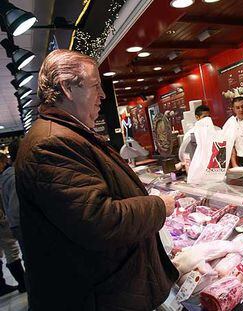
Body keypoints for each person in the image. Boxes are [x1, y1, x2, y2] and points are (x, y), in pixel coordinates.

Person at [14, 49, 179, 311]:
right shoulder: (51, 143)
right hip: (94, 297)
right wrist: (159, 206)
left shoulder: (67, 133)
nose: (102, 96)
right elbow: (99, 220)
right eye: (95, 86)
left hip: (103, 290)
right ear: (68, 88)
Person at [0, 154, 26, 295]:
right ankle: (23, 284)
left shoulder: (5, 177)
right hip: (10, 222)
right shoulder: (12, 176)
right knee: (12, 251)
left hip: (9, 220)